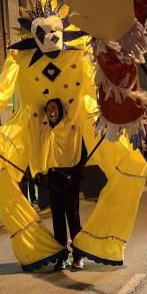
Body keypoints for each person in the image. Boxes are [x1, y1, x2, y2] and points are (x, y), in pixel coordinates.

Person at [43, 98, 86, 271]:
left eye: (53, 108)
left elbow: (82, 153)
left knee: (73, 219)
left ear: (60, 110)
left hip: (71, 180)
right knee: (57, 220)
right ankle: (62, 257)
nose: (51, 112)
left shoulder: (72, 128)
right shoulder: (45, 132)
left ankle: (78, 255)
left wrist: (76, 174)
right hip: (53, 181)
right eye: (48, 109)